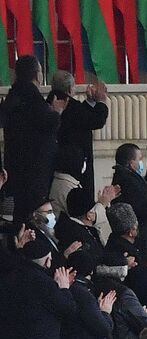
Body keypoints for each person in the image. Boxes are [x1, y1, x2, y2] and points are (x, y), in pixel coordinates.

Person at [1, 54, 61, 217]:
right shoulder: (32, 98)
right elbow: (46, 123)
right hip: (35, 171)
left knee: (19, 214)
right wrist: (56, 112)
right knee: (31, 217)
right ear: (36, 75)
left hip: (14, 166)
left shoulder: (12, 97)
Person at [50, 72, 109, 204]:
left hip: (54, 165)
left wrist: (89, 102)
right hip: (76, 166)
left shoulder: (48, 103)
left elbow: (82, 118)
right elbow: (96, 120)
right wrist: (101, 101)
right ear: (70, 89)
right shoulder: (71, 106)